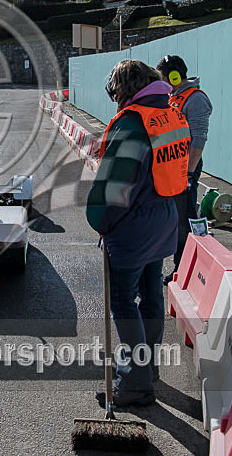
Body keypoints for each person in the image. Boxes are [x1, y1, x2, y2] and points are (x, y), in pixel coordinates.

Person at [86, 59, 190, 408]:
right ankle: (149, 367)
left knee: (122, 301)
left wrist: (99, 220)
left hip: (134, 226)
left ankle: (135, 381)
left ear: (123, 90)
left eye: (115, 93)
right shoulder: (169, 113)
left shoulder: (133, 123)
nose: (115, 100)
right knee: (151, 294)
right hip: (164, 218)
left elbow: (115, 189)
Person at [155, 55, 213, 284]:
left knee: (183, 222)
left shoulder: (196, 100)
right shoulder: (173, 97)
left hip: (185, 171)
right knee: (171, 220)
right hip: (171, 169)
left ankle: (182, 270)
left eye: (164, 78)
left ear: (175, 76)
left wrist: (188, 173)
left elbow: (198, 139)